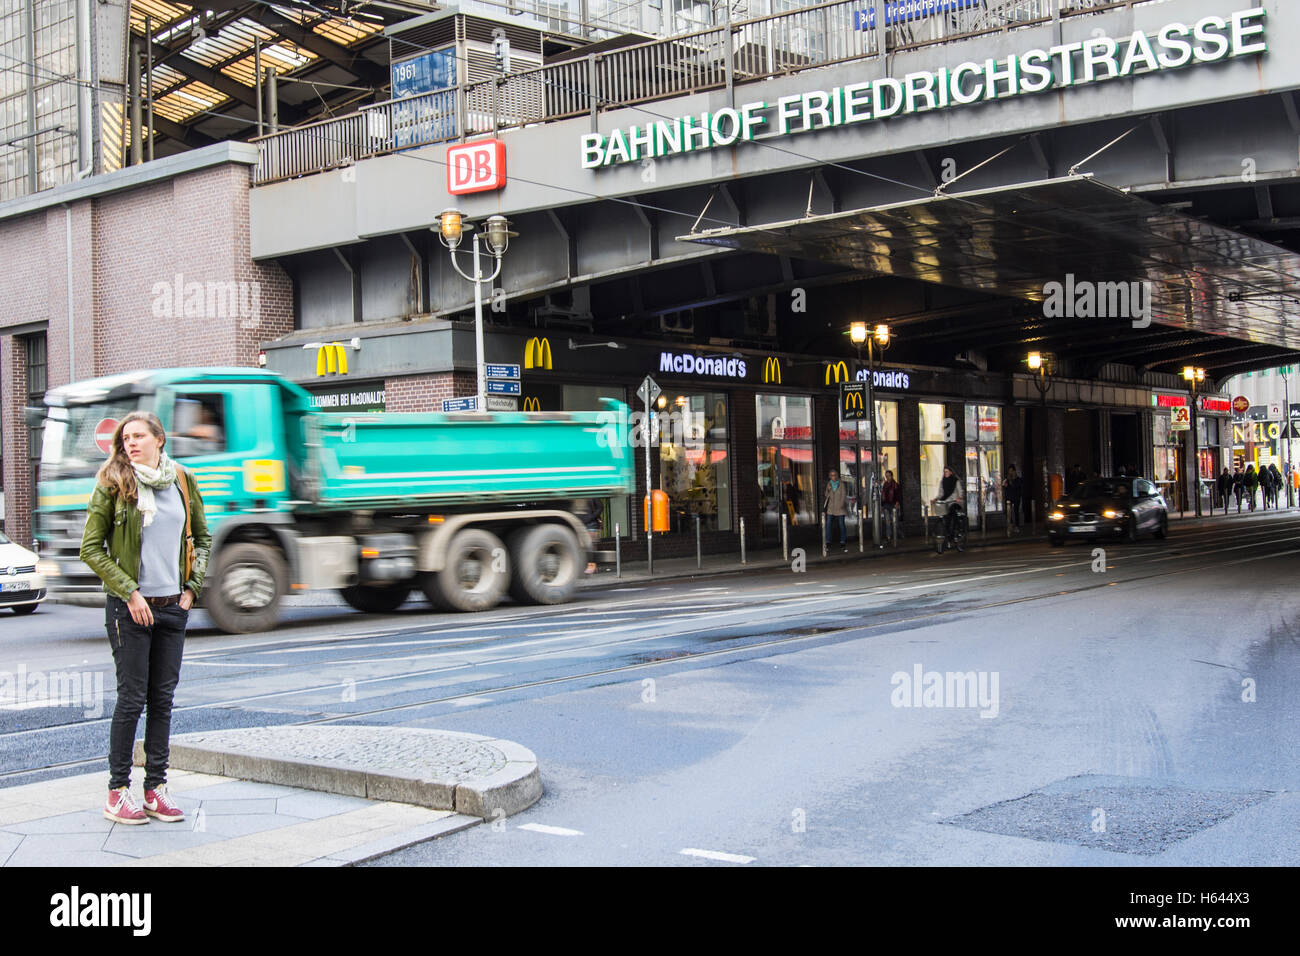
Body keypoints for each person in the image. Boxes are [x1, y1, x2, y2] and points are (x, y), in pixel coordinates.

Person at [80, 412, 209, 826]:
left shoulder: (182, 481)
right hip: (129, 608)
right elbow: (90, 548)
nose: (131, 443)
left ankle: (155, 789)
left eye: (139, 436)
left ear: (159, 439)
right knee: (132, 699)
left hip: (174, 606)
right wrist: (130, 591)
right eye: (126, 437)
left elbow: (202, 538)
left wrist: (192, 590)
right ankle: (118, 792)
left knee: (163, 701)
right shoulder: (113, 482)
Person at [931, 466, 964, 552]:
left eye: (947, 471)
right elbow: (941, 493)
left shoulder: (956, 481)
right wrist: (935, 499)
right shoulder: (943, 482)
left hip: (954, 502)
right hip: (945, 502)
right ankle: (947, 536)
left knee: (952, 513)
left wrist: (959, 497)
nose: (945, 473)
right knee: (944, 518)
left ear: (951, 472)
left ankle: (956, 531)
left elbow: (960, 491)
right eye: (944, 472)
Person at [823, 469, 847, 552]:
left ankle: (843, 541)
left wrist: (841, 504)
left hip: (840, 508)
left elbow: (844, 495)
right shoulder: (829, 484)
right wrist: (828, 489)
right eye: (832, 475)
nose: (833, 477)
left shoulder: (841, 484)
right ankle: (828, 541)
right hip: (831, 508)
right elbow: (826, 495)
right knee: (828, 524)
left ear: (837, 476)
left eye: (835, 475)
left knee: (841, 524)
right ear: (830, 476)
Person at [880, 469, 901, 541]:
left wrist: (897, 503)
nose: (887, 478)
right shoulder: (885, 485)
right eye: (886, 476)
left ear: (892, 476)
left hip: (893, 505)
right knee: (887, 522)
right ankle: (888, 536)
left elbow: (898, 495)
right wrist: (882, 505)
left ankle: (896, 535)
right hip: (886, 505)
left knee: (895, 522)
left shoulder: (895, 485)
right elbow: (883, 495)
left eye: (889, 476)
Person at [1001, 465, 1023, 532]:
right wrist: (1005, 485)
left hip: (1016, 497)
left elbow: (1017, 487)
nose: (1010, 472)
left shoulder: (1018, 479)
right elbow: (1004, 486)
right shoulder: (1007, 479)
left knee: (1016, 511)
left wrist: (1011, 482)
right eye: (1009, 471)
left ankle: (1016, 526)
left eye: (1011, 471)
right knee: (1008, 512)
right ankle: (1010, 524)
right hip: (1009, 498)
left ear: (1014, 471)